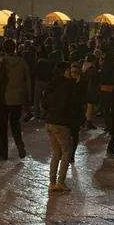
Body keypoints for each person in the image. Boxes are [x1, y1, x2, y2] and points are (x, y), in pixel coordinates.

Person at [42, 62, 73, 193]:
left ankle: (52, 182)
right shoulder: (65, 86)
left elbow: (44, 104)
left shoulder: (50, 85)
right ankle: (60, 182)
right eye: (68, 70)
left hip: (49, 121)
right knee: (66, 151)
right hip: (61, 122)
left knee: (56, 153)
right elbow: (67, 104)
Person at [0, 39, 31, 159]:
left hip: (3, 98)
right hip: (17, 98)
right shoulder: (22, 63)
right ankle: (19, 144)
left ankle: (3, 152)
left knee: (2, 127)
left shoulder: (1, 62)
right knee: (15, 124)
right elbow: (27, 81)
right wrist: (28, 98)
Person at [99, 52, 114, 133]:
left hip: (104, 89)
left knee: (106, 109)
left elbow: (100, 78)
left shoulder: (104, 67)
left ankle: (108, 126)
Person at [70, 63, 86, 162]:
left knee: (75, 135)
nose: (73, 74)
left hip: (77, 112)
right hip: (69, 112)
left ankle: (72, 154)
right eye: (72, 72)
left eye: (75, 72)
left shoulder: (83, 82)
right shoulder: (68, 82)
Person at [82, 53, 99, 130]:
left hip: (87, 88)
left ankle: (87, 120)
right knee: (91, 106)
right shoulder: (92, 68)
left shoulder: (85, 66)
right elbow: (93, 80)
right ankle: (87, 120)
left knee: (90, 106)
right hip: (91, 89)